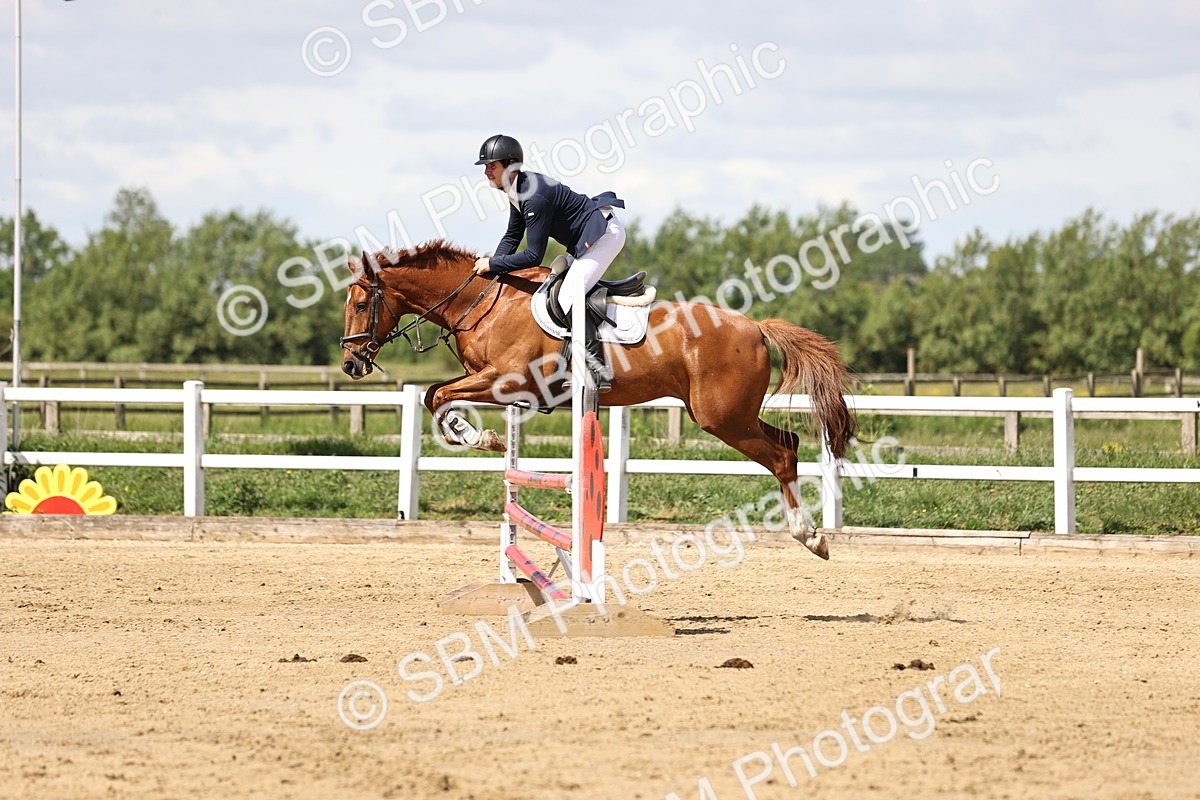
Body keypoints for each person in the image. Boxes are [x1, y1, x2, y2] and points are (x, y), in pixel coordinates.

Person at [471, 134, 626, 390]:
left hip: (603, 236)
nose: (487, 171)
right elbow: (512, 235)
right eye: (485, 166)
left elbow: (533, 256)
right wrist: (492, 270)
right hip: (585, 240)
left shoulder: (534, 197)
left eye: (491, 165)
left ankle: (597, 370)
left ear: (510, 166)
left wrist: (493, 264)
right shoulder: (518, 190)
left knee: (568, 296)